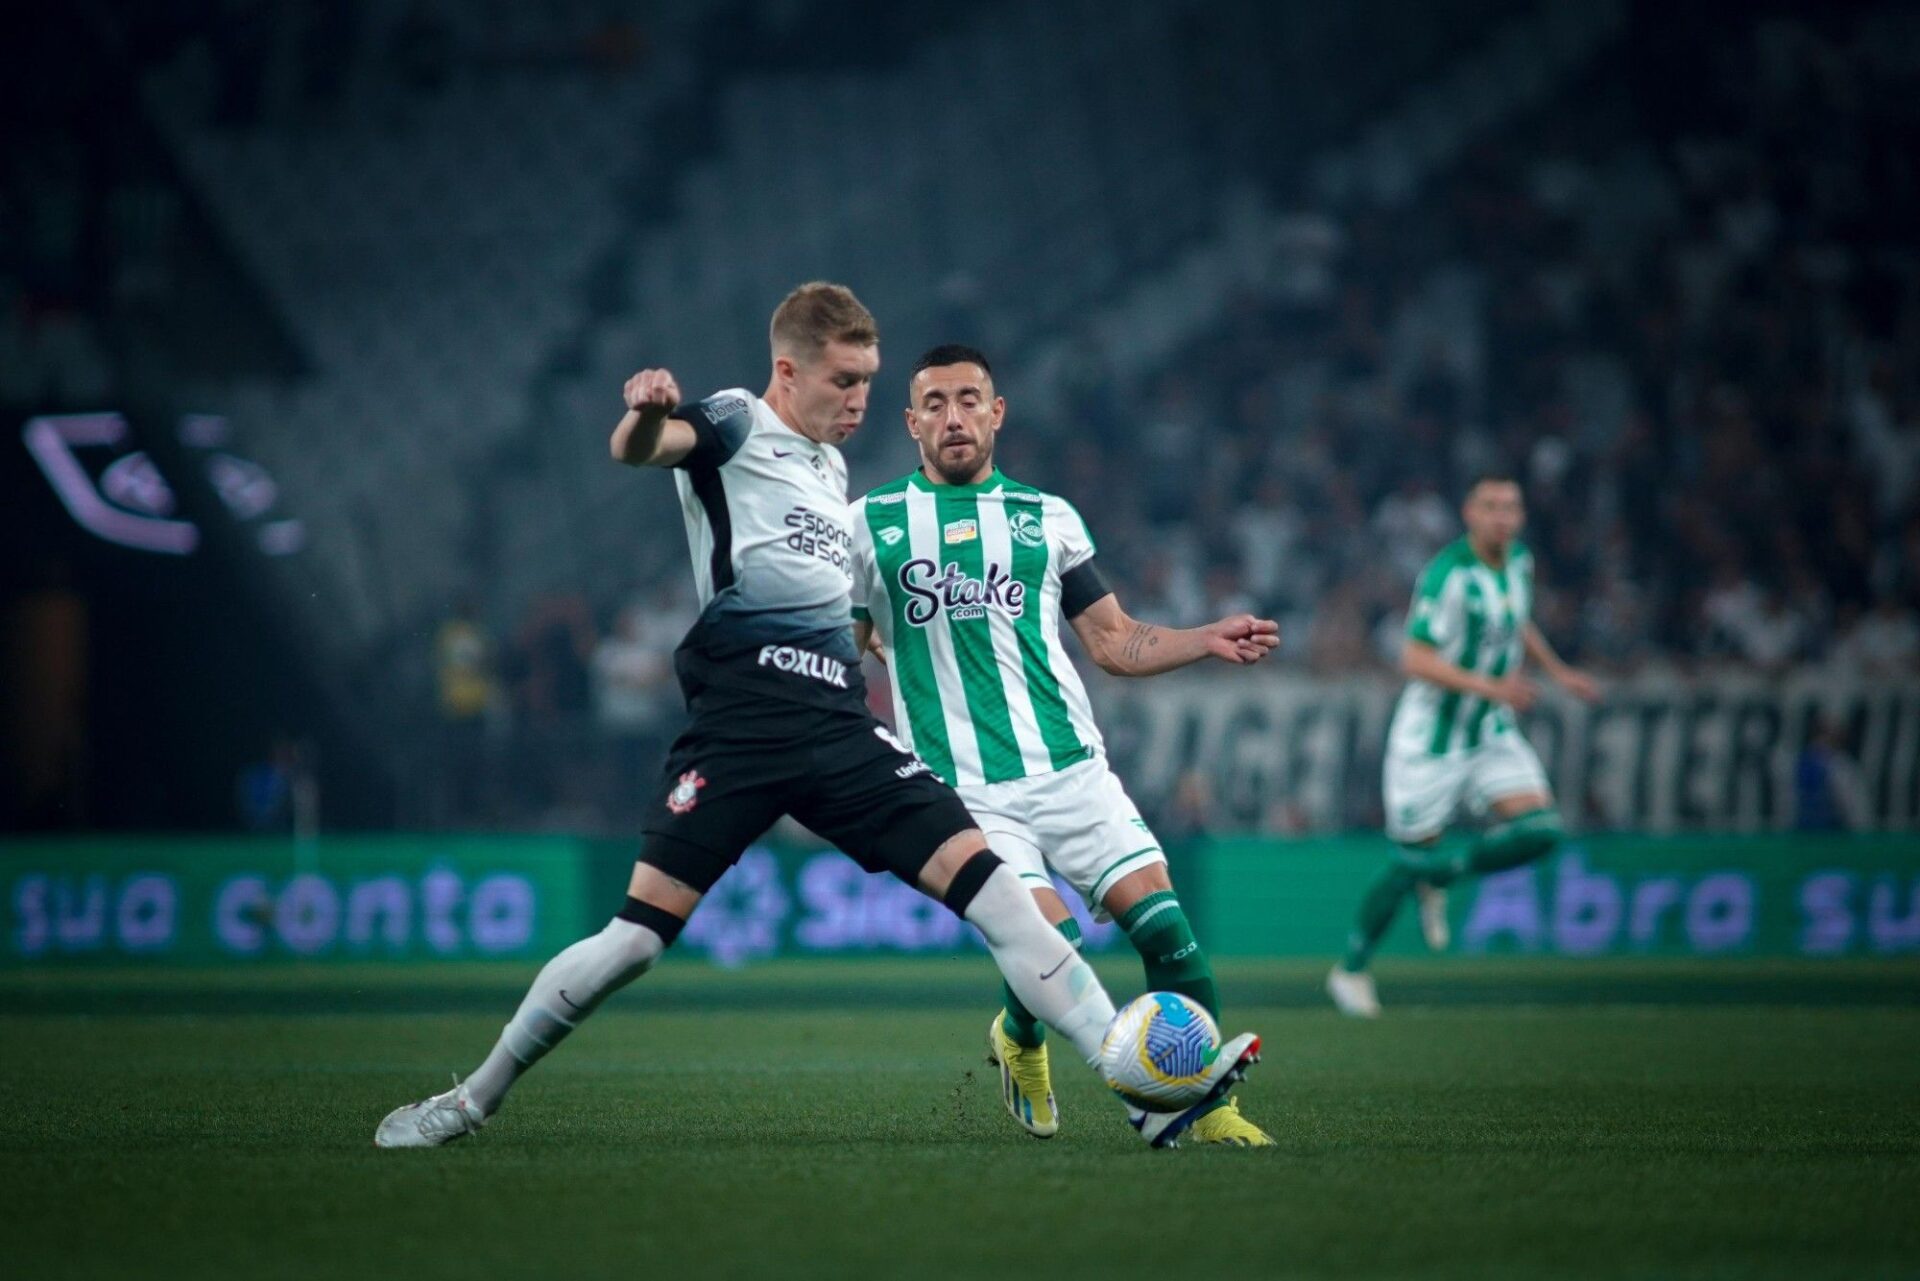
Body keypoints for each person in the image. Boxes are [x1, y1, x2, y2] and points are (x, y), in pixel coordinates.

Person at [375, 285, 1259, 1149]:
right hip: (742, 729)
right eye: (845, 381)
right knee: (637, 940)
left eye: (868, 381)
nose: (860, 401)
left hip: (838, 729)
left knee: (1000, 895)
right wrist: (647, 411)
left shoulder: (832, 473)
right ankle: (469, 1100)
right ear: (787, 372)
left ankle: (1139, 1094)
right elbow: (641, 447)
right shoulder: (733, 422)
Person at [849, 345, 1278, 1145]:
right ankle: (1028, 1038)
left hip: (1074, 773)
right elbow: (847, 638)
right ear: (910, 423)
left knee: (1171, 939)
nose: (954, 417)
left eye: (969, 399)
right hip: (965, 793)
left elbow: (1116, 643)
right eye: (935, 404)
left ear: (997, 411)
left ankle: (1209, 1109)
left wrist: (1205, 637)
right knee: (1055, 940)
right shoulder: (869, 524)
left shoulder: (1047, 518)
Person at [1327, 474, 1601, 1017]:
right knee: (1408, 860)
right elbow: (1414, 658)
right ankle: (1351, 969)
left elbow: (1517, 624)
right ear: (1469, 515)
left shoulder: (1518, 562)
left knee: (1543, 830)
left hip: (1489, 733)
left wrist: (1559, 672)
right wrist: (1493, 687)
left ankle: (1444, 875)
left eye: (1512, 507)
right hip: (1430, 741)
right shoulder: (1448, 576)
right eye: (1491, 506)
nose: (1503, 516)